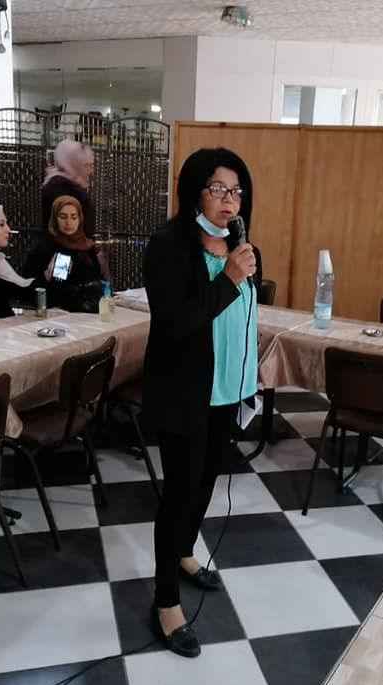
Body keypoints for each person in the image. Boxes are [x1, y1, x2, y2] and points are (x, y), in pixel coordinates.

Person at [143, 148, 261, 658]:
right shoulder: (168, 247)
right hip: (185, 393)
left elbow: (245, 319)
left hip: (227, 392)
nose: (228, 200)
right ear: (194, 192)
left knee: (207, 480)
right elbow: (176, 324)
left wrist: (249, 383)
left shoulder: (241, 246)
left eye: (236, 191)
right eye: (217, 189)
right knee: (180, 493)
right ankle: (165, 602)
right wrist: (228, 279)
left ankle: (186, 553)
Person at [23, 195, 107, 313]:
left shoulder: (88, 246)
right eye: (63, 217)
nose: (68, 222)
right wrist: (46, 277)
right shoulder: (44, 248)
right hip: (57, 312)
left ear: (80, 219)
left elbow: (96, 278)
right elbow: (27, 288)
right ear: (55, 219)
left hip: (91, 311)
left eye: (73, 217)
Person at [41, 139, 96, 237]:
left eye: (91, 165)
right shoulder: (61, 187)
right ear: (74, 164)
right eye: (86, 165)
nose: (91, 171)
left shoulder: (65, 184)